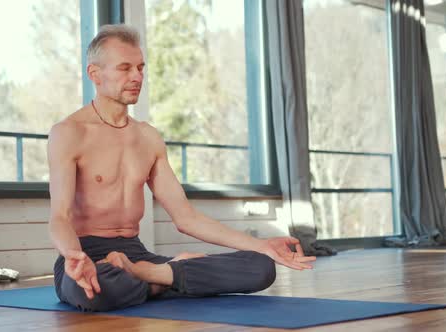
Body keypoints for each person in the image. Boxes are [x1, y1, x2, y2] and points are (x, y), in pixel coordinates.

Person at [48, 24, 316, 312]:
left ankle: (147, 275)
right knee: (93, 289)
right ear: (95, 74)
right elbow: (59, 218)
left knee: (261, 267)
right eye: (125, 68)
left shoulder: (148, 137)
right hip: (88, 256)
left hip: (136, 255)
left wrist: (261, 245)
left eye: (140, 67)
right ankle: (168, 277)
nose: (137, 76)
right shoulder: (69, 132)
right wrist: (74, 255)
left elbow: (186, 217)